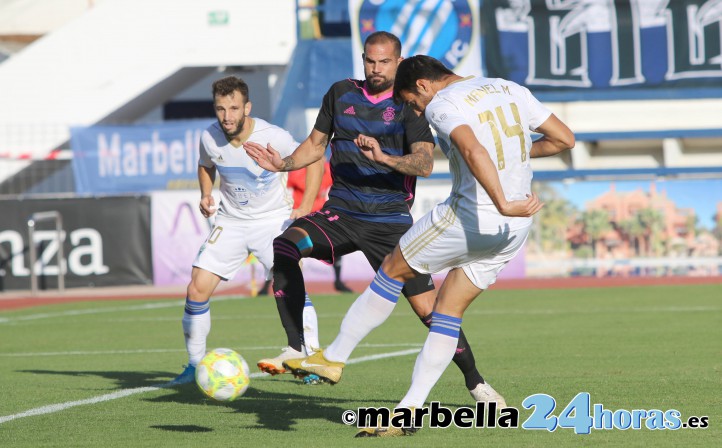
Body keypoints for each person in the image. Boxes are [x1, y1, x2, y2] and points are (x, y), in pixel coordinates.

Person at [283, 55, 575, 437]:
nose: (415, 110)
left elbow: (473, 150)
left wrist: (501, 197)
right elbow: (564, 139)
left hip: (472, 216)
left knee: (391, 269)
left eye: (411, 102)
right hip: (515, 226)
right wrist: (513, 159)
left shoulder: (443, 103)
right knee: (447, 313)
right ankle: (408, 412)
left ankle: (333, 357)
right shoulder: (509, 88)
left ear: (422, 86)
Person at [243, 32, 495, 403]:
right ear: (363, 59)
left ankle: (476, 383)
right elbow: (315, 145)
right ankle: (296, 347)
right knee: (284, 246)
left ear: (398, 61)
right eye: (370, 61)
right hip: (341, 212)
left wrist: (384, 158)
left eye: (385, 62)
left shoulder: (412, 104)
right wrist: (283, 164)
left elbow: (424, 162)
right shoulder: (340, 93)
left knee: (431, 312)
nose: (376, 69)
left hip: (391, 222)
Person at [170, 76, 324, 384]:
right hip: (231, 222)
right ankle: (194, 365)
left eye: (234, 108)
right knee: (196, 288)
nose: (227, 116)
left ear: (247, 107)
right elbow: (205, 164)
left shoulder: (273, 136)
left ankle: (310, 360)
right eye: (221, 109)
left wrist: (307, 204)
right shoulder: (209, 137)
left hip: (272, 222)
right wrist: (205, 193)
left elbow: (315, 160)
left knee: (290, 285)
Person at [258, 159, 353, 295]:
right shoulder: (298, 170)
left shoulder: (329, 169)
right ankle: (269, 285)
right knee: (284, 250)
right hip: (299, 216)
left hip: (319, 217)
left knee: (336, 245)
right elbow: (286, 184)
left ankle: (338, 281)